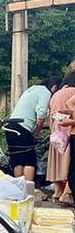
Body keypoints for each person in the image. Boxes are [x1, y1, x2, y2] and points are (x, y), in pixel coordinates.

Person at [5, 77, 61, 181]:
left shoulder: (33, 89)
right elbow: (41, 114)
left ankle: (20, 188)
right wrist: (37, 131)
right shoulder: (45, 92)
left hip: (9, 125)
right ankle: (29, 190)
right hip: (22, 127)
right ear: (55, 87)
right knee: (29, 160)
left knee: (17, 159)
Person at [46, 71, 75, 201]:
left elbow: (50, 114)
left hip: (56, 127)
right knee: (68, 160)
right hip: (68, 125)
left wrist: (53, 132)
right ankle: (67, 192)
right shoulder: (73, 92)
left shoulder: (56, 94)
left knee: (56, 159)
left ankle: (57, 191)